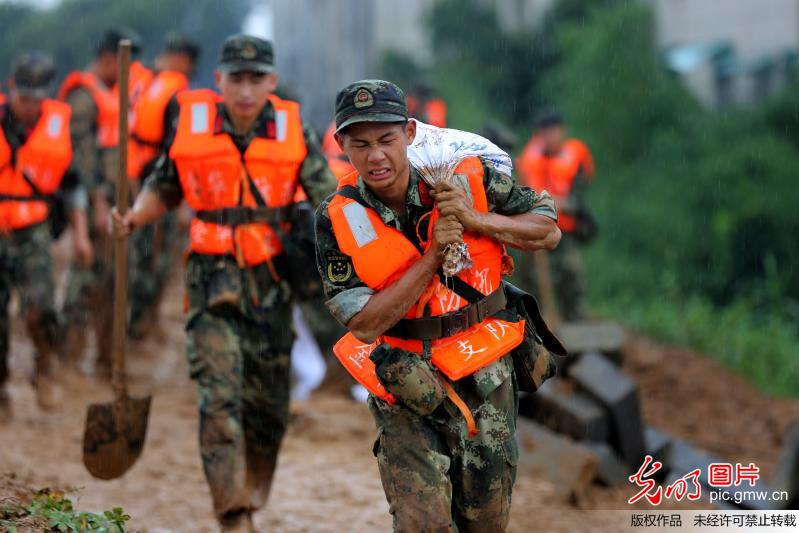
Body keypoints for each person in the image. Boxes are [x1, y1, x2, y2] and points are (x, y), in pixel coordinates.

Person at [112, 34, 336, 532]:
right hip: (210, 280)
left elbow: (330, 202)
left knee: (268, 406)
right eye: (236, 77)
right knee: (218, 398)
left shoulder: (294, 127)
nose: (245, 89)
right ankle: (231, 512)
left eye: (256, 79)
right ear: (219, 81)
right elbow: (165, 185)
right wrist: (134, 217)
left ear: (271, 83)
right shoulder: (190, 127)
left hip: (272, 283)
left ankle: (253, 486)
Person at [314, 80, 560, 532]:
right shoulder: (339, 218)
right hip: (405, 385)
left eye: (387, 140)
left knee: (484, 521)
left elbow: (547, 229)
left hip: (485, 375)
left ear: (409, 133)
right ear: (340, 144)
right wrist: (431, 257)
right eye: (361, 144)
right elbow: (365, 324)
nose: (376, 156)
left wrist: (474, 220)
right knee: (421, 525)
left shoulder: (464, 178)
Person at [0, 52, 92, 416]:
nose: (30, 108)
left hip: (33, 229)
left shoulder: (57, 127)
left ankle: (44, 367)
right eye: (24, 99)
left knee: (39, 307)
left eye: (37, 100)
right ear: (11, 89)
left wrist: (81, 236)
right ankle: (1, 387)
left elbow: (73, 188)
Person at [57, 28, 141, 376]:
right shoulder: (84, 96)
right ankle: (70, 357)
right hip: (98, 203)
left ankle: (108, 360)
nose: (132, 68)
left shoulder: (115, 93)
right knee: (88, 282)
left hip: (122, 202)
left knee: (118, 281)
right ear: (110, 58)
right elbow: (82, 158)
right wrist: (95, 203)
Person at [127, 32, 200, 337]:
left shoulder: (144, 80)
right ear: (184, 60)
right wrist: (185, 204)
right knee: (153, 260)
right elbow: (179, 151)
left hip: (132, 175)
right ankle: (138, 328)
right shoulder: (176, 93)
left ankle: (139, 324)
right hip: (157, 184)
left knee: (142, 257)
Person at [516, 109, 596, 320]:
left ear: (562, 131)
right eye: (545, 132)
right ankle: (536, 321)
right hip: (537, 228)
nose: (550, 136)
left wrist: (568, 203)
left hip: (566, 227)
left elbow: (580, 188)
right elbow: (528, 193)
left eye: (553, 131)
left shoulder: (576, 154)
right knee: (533, 278)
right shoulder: (530, 158)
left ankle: (576, 319)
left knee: (571, 274)